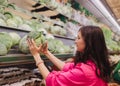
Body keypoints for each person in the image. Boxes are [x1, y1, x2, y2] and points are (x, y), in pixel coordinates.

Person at [27, 26, 111, 86]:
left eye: (78, 38)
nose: (75, 41)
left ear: (89, 42)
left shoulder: (84, 72)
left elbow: (52, 81)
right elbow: (66, 67)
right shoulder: (94, 64)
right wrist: (46, 53)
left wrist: (36, 55)